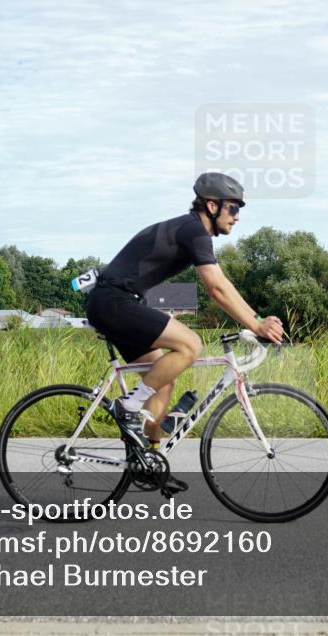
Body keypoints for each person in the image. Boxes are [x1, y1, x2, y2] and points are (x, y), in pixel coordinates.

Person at [85, 172, 284, 456]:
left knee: (162, 380)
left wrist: (257, 320)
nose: (237, 216)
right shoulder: (194, 231)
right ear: (212, 206)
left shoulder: (190, 229)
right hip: (113, 301)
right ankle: (127, 406)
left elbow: (222, 285)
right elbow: (216, 287)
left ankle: (148, 457)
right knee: (190, 344)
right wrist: (257, 323)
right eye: (234, 208)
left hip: (116, 302)